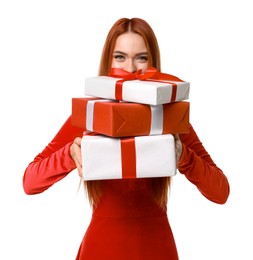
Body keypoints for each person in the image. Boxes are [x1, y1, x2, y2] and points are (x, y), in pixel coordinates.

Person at [23, 18, 230, 260]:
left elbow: (221, 192)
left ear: (153, 63)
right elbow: (30, 182)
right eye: (120, 57)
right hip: (100, 248)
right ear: (108, 62)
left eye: (141, 58)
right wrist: (68, 155)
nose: (131, 69)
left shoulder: (168, 116)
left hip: (157, 248)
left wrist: (185, 157)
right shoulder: (91, 114)